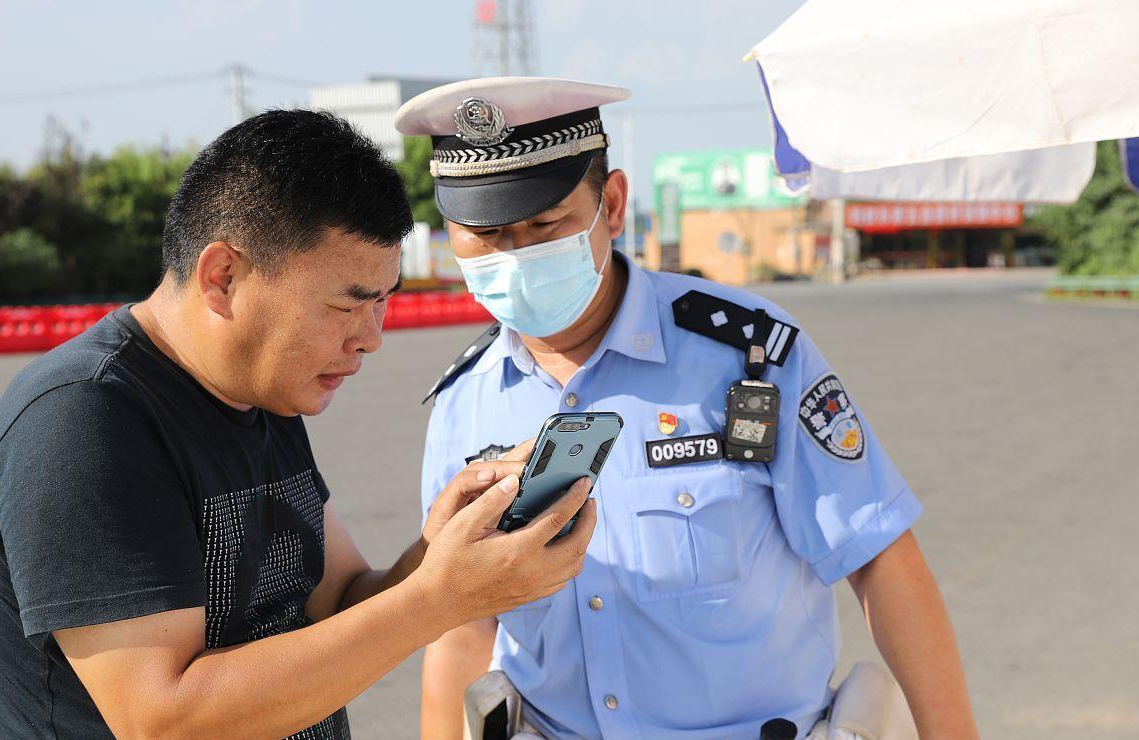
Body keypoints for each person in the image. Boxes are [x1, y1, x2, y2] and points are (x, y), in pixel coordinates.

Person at [0, 109, 596, 739]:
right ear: (223, 277)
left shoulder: (263, 392)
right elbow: (165, 719)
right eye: (346, 305)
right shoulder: (82, 419)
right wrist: (439, 598)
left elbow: (341, 599)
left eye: (383, 301)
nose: (371, 337)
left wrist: (442, 551)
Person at [397, 78, 979, 739]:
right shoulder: (464, 402)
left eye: (545, 225)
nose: (516, 255)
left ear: (613, 206)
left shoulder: (749, 355)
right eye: (487, 233)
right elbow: (461, 626)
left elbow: (878, 557)